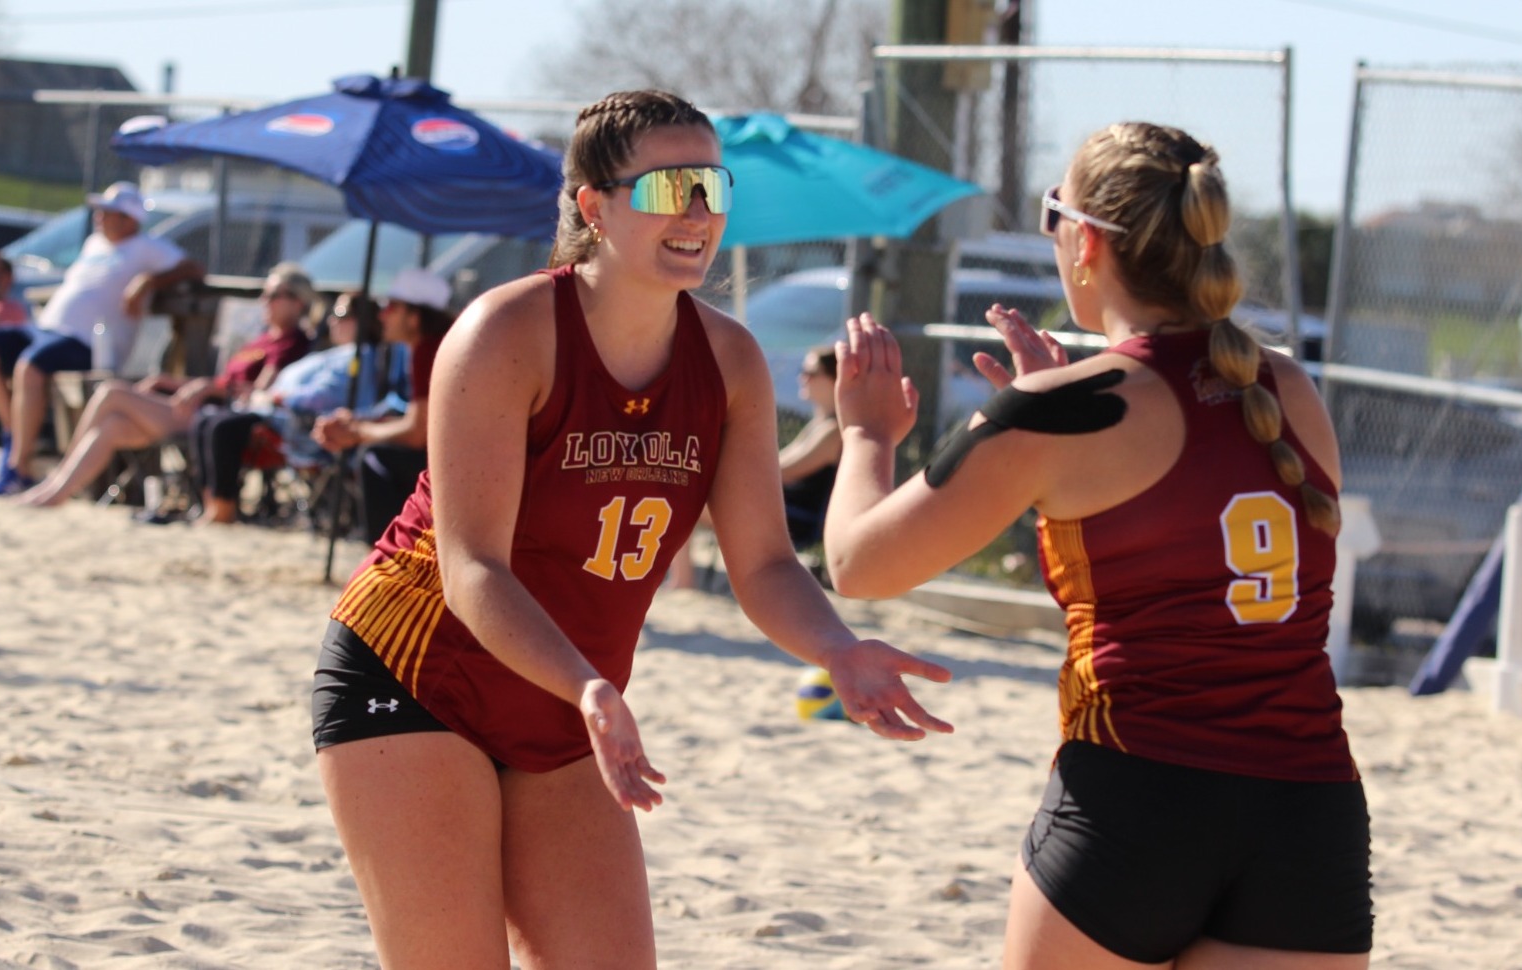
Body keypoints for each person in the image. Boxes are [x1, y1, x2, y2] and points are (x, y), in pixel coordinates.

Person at [314, 89, 952, 969]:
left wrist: (837, 650)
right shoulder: (507, 330)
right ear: (594, 207)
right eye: (668, 188)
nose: (697, 212)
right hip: (419, 674)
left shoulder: (729, 360)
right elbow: (471, 569)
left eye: (712, 187)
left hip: (574, 703)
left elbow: (764, 562)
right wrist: (585, 684)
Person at [821, 121, 1371, 969]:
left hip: (1139, 798)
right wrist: (1045, 404)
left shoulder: (1061, 411)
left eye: (1051, 218)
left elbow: (858, 565)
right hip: (1308, 816)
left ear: (1085, 241)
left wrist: (861, 434)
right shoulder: (1288, 387)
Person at [0, 181, 204, 495]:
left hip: (88, 341)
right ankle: (12, 429)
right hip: (47, 328)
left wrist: (148, 281)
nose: (100, 217)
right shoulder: (95, 243)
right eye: (101, 211)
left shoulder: (147, 247)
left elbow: (193, 268)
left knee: (29, 367)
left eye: (109, 212)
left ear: (129, 219)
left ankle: (18, 466)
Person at [14, 263, 314, 508]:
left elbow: (260, 395)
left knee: (111, 393)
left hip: (221, 420)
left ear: (298, 302)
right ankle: (56, 493)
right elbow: (224, 382)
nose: (265, 300)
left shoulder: (290, 344)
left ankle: (55, 481)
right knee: (113, 426)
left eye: (275, 295)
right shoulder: (262, 338)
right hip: (202, 408)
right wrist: (171, 382)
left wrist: (203, 389)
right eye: (265, 293)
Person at [189, 291, 404, 526]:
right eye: (332, 314)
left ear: (362, 320)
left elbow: (328, 395)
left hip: (302, 424)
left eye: (340, 314)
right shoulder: (339, 353)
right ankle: (210, 504)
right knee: (206, 420)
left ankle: (223, 509)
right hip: (280, 413)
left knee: (223, 427)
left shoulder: (360, 357)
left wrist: (280, 398)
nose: (332, 320)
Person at [665, 342, 842, 589]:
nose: (803, 377)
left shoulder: (833, 433)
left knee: (682, 497)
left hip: (790, 518)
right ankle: (682, 581)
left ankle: (683, 582)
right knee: (681, 491)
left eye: (811, 373)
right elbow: (774, 467)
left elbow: (780, 472)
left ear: (834, 381)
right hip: (774, 506)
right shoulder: (820, 424)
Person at [309, 267, 452, 544]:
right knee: (376, 453)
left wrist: (358, 433)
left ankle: (388, 556)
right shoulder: (425, 345)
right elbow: (415, 420)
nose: (382, 314)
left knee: (375, 457)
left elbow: (416, 433)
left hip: (462, 465)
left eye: (391, 306)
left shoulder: (428, 348)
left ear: (414, 317)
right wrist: (359, 425)